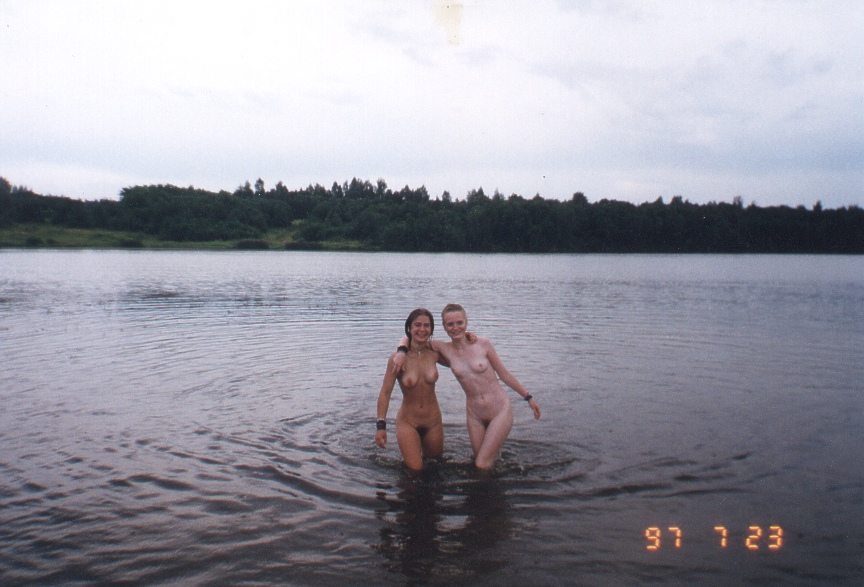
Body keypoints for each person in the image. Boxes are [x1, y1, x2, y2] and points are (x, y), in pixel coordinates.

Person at [393, 303, 540, 470]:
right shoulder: (443, 349)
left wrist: (528, 397)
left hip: (499, 408)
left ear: (466, 322)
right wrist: (401, 351)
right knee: (480, 461)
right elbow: (413, 337)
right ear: (444, 327)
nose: (455, 328)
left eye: (459, 323)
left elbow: (504, 374)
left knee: (481, 464)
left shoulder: (483, 344)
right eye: (450, 324)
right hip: (475, 414)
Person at [375, 308, 444, 472]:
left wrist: (468, 336)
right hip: (408, 422)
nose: (422, 329)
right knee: (415, 470)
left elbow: (459, 353)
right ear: (409, 328)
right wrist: (381, 426)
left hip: (433, 422)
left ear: (431, 329)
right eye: (417, 325)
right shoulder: (397, 359)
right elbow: (385, 392)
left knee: (435, 468)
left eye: (427, 326)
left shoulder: (435, 354)